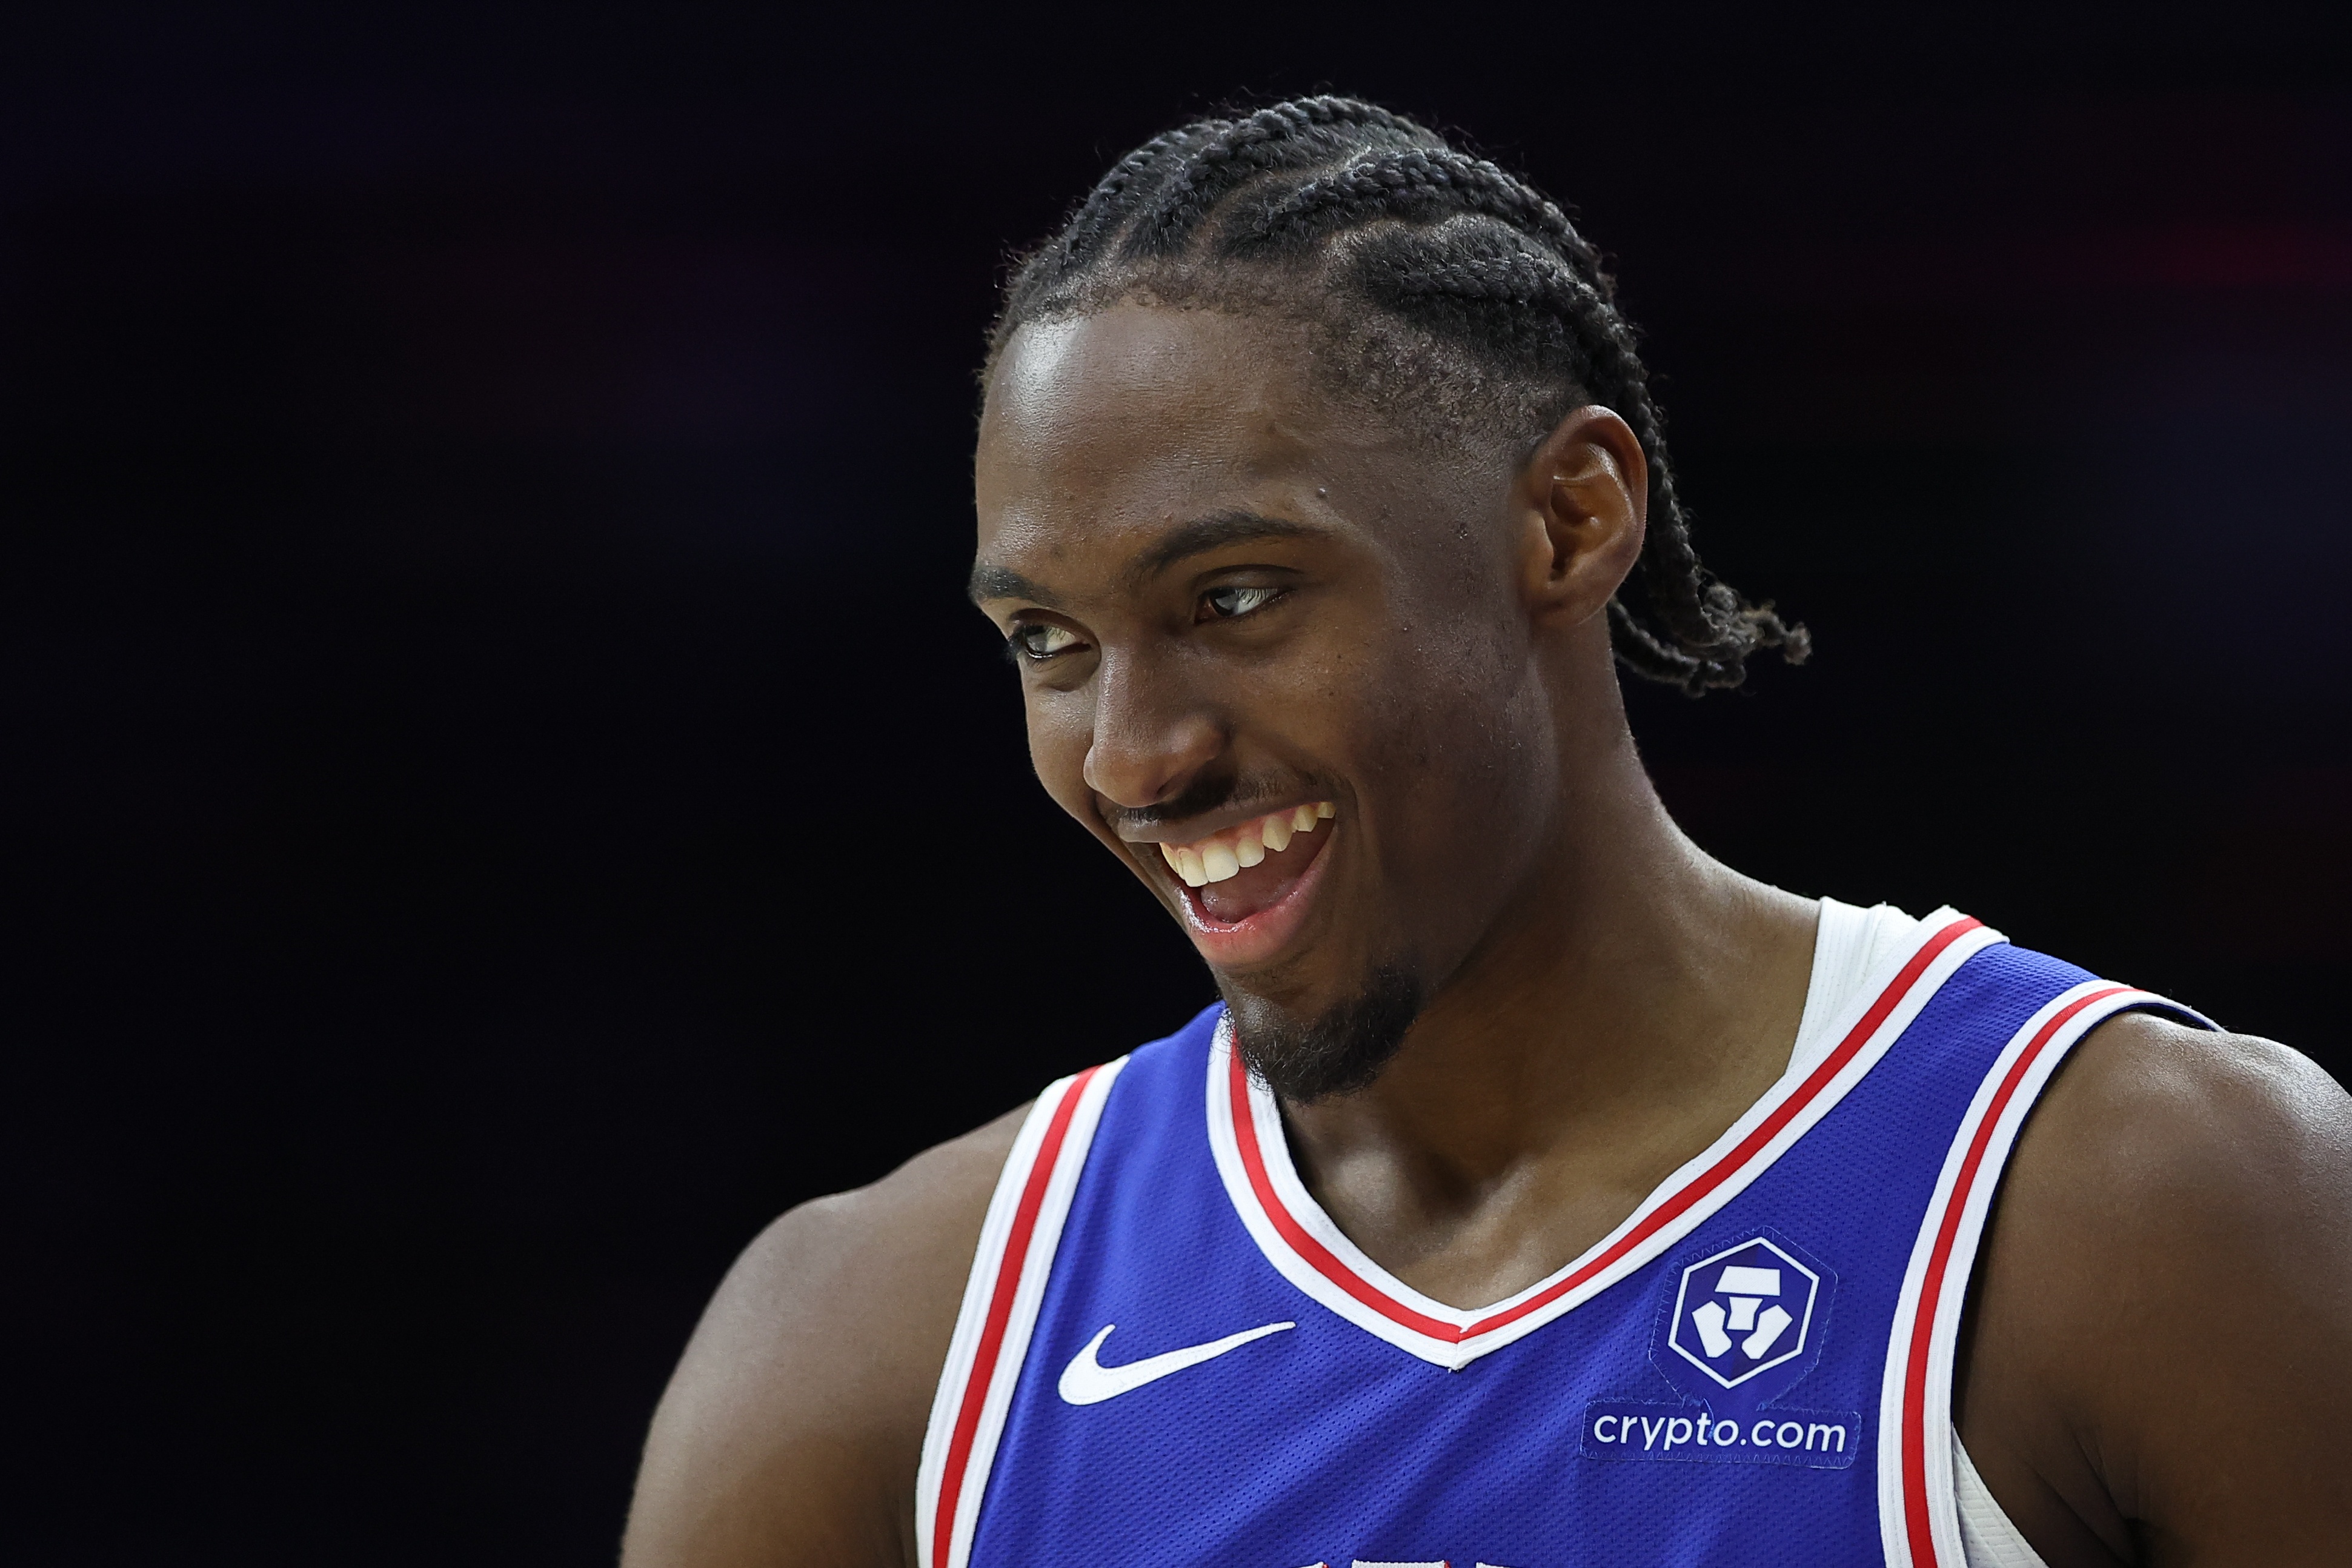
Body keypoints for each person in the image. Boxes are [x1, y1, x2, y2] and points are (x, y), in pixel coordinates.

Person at [619, 98, 2352, 1568]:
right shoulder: (871, 1353)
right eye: (1048, 643)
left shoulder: (2155, 1211)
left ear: (1570, 520)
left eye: (1236, 597)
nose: (1135, 755)